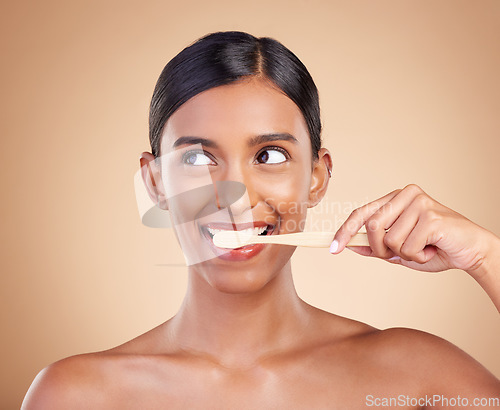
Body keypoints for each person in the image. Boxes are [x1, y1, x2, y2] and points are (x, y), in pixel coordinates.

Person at [22, 31, 500, 409]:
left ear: (316, 177)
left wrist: (487, 257)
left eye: (269, 155)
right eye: (196, 159)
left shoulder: (418, 379)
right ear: (154, 183)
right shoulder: (76, 396)